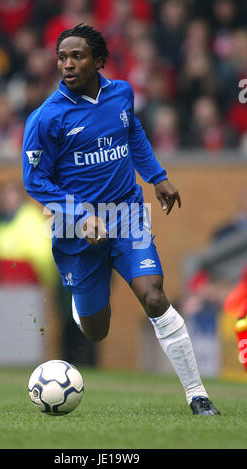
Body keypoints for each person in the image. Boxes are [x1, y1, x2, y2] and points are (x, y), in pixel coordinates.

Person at [22, 24, 220, 416]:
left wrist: (157, 176)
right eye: (62, 57)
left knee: (154, 295)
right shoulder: (46, 118)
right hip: (76, 233)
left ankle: (197, 396)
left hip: (128, 215)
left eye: (76, 56)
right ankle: (83, 305)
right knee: (97, 331)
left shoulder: (122, 94)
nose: (67, 64)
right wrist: (80, 216)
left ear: (98, 61)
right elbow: (35, 180)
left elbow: (134, 135)